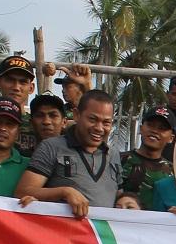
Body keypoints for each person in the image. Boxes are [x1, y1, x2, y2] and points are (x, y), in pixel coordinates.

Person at [15, 89, 120, 217]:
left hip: (101, 235)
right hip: (61, 234)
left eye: (106, 122)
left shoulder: (113, 154)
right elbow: (22, 192)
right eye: (92, 119)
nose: (99, 128)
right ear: (76, 115)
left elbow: (117, 195)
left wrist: (128, 201)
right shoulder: (51, 147)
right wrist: (65, 192)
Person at [117, 105, 175, 211]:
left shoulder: (173, 173)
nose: (155, 131)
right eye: (150, 125)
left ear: (171, 138)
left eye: (162, 128)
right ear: (140, 128)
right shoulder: (119, 160)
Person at [0, 55, 38, 155]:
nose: (16, 87)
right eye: (10, 80)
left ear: (31, 88)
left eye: (23, 82)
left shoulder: (37, 125)